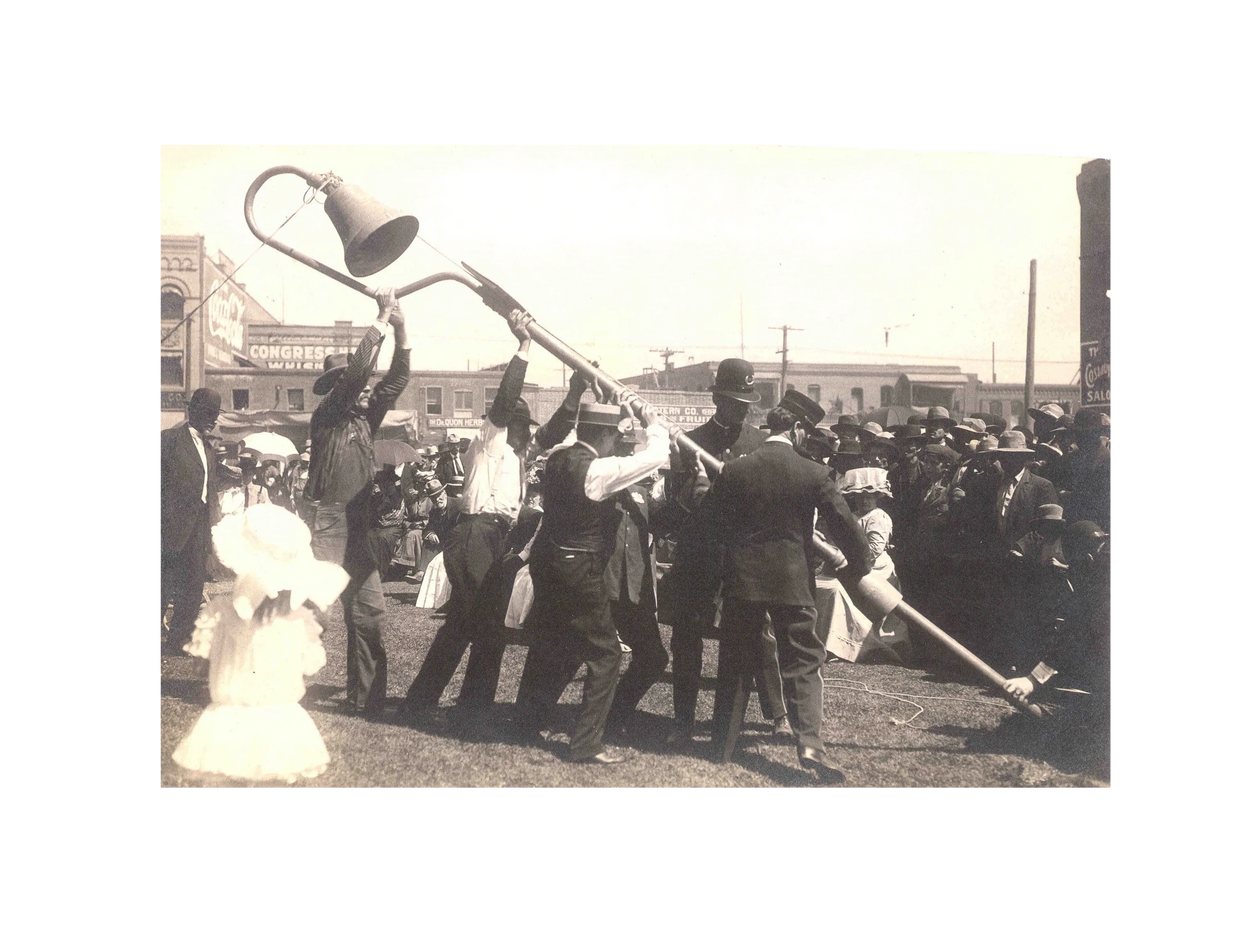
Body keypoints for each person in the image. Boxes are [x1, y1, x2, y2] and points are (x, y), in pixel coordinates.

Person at [707, 390, 873, 779]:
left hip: (743, 581)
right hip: (793, 581)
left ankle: (722, 748)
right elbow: (846, 527)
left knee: (735, 660)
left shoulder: (736, 469)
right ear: (797, 429)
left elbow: (712, 525)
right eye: (806, 433)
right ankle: (810, 745)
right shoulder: (814, 472)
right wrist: (859, 566)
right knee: (803, 663)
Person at [400, 309, 541, 724]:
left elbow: (550, 434)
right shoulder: (489, 440)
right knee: (490, 630)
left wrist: (577, 391)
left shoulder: (516, 457)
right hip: (474, 535)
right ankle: (472, 710)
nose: (531, 433)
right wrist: (524, 347)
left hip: (491, 539)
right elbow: (502, 400)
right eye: (526, 427)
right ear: (511, 425)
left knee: (460, 627)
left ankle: (420, 702)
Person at [514, 398, 671, 763]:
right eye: (612, 440)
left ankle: (525, 722)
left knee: (555, 643)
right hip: (578, 568)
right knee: (605, 654)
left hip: (549, 563)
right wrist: (653, 424)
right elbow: (654, 456)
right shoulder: (597, 470)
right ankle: (585, 742)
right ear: (603, 435)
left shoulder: (557, 458)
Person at [172, 505, 349, 783]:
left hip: (227, 720)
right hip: (281, 720)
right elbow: (310, 665)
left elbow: (200, 665)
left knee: (227, 776)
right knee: (278, 777)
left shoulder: (217, 613)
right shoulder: (299, 621)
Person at [656, 359, 779, 745]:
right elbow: (670, 513)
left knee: (754, 636)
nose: (740, 409)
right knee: (687, 638)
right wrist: (687, 500)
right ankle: (683, 722)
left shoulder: (760, 445)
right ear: (715, 399)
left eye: (746, 401)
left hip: (742, 556)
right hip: (698, 555)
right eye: (732, 400)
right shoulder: (688, 442)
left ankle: (772, 716)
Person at [302, 287, 410, 719]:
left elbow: (397, 379)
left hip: (359, 526)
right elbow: (357, 376)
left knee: (369, 613)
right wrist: (382, 317)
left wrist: (402, 330)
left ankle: (365, 700)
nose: (368, 390)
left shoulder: (366, 418)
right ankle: (275, 685)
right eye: (358, 384)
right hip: (327, 524)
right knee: (314, 612)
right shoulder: (328, 414)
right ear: (338, 386)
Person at [158, 388, 222, 656]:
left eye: (215, 416)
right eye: (207, 414)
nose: (212, 420)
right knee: (162, 587)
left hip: (197, 530)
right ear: (192, 411)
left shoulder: (209, 448)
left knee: (193, 587)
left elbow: (208, 489)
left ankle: (178, 641)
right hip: (170, 529)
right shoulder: (169, 440)